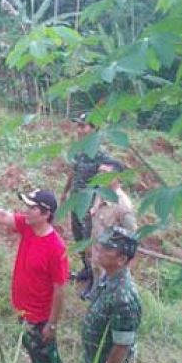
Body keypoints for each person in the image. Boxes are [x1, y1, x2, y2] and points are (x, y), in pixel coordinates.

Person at [0, 189, 69, 363]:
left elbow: (60, 289)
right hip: (23, 308)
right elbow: (3, 216)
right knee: (31, 346)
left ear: (45, 214)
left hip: (40, 316)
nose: (26, 210)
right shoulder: (27, 227)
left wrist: (51, 324)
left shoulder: (56, 247)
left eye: (31, 208)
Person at [81, 226, 142, 363]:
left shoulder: (124, 298)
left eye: (107, 248)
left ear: (121, 259)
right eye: (101, 244)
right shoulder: (107, 277)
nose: (99, 249)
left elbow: (121, 347)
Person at [61, 113, 111, 290]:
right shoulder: (80, 150)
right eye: (79, 126)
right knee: (78, 237)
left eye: (84, 126)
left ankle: (95, 282)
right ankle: (86, 270)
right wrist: (65, 193)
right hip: (76, 202)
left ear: (94, 128)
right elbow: (73, 172)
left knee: (90, 243)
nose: (80, 130)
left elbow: (106, 181)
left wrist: (96, 205)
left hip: (91, 206)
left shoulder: (101, 154)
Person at [89, 158, 137, 289]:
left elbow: (132, 238)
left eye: (105, 172)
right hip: (97, 260)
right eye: (99, 172)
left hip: (111, 268)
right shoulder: (100, 195)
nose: (99, 176)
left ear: (117, 177)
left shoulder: (123, 205)